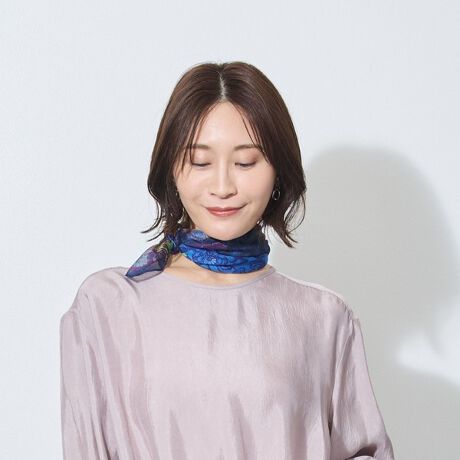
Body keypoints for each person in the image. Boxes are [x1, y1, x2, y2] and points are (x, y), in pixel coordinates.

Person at [59, 61, 395, 459]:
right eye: (200, 162)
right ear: (171, 170)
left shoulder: (323, 317)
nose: (222, 186)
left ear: (278, 173)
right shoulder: (108, 305)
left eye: (246, 162)